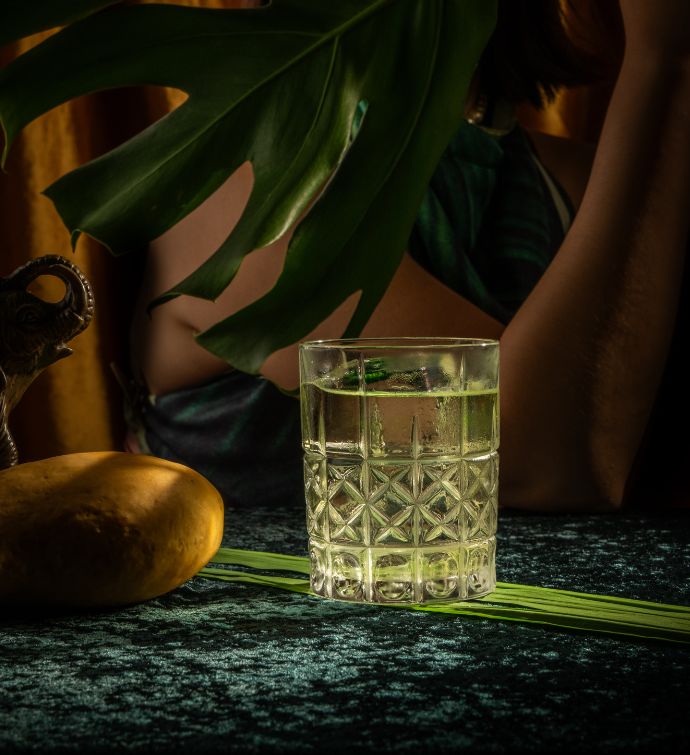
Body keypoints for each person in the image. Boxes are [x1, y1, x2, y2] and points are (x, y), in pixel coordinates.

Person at [126, 0, 690, 512]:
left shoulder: (587, 183)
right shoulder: (248, 183)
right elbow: (537, 465)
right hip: (290, 623)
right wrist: (665, 57)